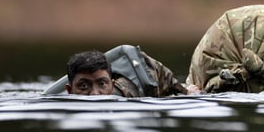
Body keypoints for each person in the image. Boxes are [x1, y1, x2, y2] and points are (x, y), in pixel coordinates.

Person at [65, 47, 193, 97]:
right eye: (83, 86)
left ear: (112, 84)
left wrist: (187, 92)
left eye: (102, 84)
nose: (94, 94)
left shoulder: (129, 94)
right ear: (69, 90)